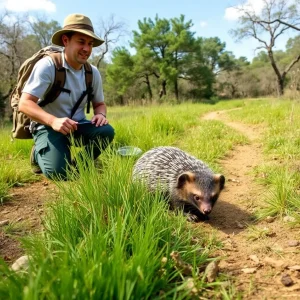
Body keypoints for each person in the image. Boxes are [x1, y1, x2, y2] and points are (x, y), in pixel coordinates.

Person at [18, 14, 115, 180]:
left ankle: (79, 167)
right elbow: (25, 104)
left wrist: (100, 114)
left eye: (90, 44)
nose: (86, 49)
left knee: (106, 131)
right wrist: (53, 121)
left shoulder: (92, 73)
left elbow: (99, 103)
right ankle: (39, 154)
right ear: (65, 40)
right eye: (81, 42)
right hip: (47, 126)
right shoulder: (48, 66)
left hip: (77, 125)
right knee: (58, 173)